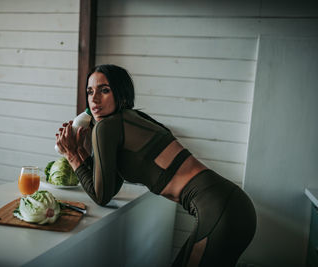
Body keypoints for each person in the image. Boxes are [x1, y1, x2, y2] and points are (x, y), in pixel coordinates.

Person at [55, 64, 256, 267]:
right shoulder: (131, 119)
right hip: (232, 205)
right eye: (90, 92)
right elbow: (110, 185)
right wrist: (80, 151)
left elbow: (101, 195)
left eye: (104, 90)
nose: (95, 99)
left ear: (121, 94)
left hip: (221, 211)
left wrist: (71, 155)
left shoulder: (106, 127)